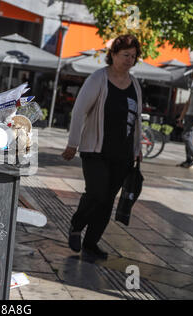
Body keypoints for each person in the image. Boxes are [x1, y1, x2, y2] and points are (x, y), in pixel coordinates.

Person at [61, 34, 143, 260]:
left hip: (123, 154)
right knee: (96, 193)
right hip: (95, 150)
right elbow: (79, 111)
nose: (129, 60)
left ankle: (91, 243)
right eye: (125, 55)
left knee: (107, 201)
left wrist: (138, 149)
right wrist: (73, 143)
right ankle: (76, 225)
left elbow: (136, 119)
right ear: (113, 55)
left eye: (133, 56)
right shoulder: (98, 78)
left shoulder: (135, 83)